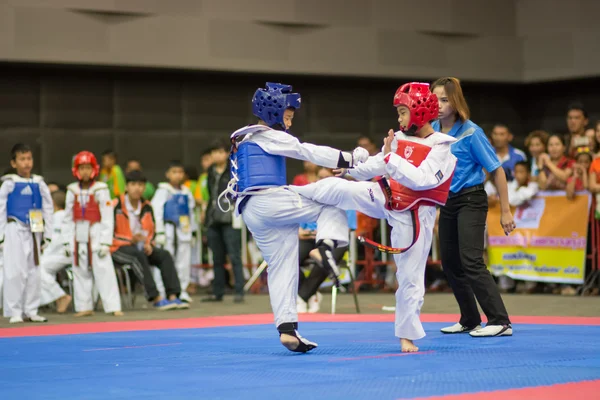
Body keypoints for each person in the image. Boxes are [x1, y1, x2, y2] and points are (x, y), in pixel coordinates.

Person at [292, 82, 457, 352]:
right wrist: (349, 171)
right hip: (386, 195)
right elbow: (378, 163)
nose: (399, 118)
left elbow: (422, 180)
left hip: (413, 215)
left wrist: (391, 156)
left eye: (403, 112)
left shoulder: (441, 147)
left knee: (409, 276)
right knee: (335, 187)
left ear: (419, 112)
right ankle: (287, 195)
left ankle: (407, 335)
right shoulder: (401, 140)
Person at [221, 82, 368, 353]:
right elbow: (306, 151)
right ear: (273, 112)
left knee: (282, 267)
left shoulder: (245, 139)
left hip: (253, 212)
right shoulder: (266, 134)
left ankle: (287, 330)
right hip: (268, 199)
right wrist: (350, 159)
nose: (290, 120)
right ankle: (324, 249)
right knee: (332, 201)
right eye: (287, 115)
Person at [430, 77, 515, 337]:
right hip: (448, 203)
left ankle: (500, 321)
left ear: (456, 103)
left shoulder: (471, 131)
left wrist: (506, 210)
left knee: (471, 261)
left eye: (445, 100)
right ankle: (469, 319)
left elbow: (497, 171)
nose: (439, 105)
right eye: (435, 99)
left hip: (472, 199)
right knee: (451, 263)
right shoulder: (431, 129)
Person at [110, 170, 188, 310]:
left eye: (140, 185)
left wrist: (149, 244)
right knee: (137, 256)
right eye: (133, 184)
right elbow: (107, 231)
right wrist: (130, 240)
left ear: (144, 188)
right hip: (117, 248)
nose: (137, 188)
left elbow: (151, 230)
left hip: (140, 246)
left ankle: (173, 296)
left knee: (164, 255)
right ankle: (155, 297)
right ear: (126, 187)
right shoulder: (115, 205)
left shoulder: (147, 206)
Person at [61, 151, 123, 317]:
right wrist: (66, 241)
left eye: (88, 167)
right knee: (80, 272)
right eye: (82, 168)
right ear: (76, 170)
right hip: (78, 236)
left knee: (105, 272)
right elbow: (67, 218)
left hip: (96, 234)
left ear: (94, 169)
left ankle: (113, 306)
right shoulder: (72, 190)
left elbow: (107, 216)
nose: (85, 172)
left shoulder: (101, 189)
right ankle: (84, 306)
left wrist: (106, 241)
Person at [0, 143, 53, 323]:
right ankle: (14, 311)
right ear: (14, 163)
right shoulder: (9, 183)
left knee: (34, 271)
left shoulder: (39, 183)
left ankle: (31, 309)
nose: (26, 163)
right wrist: (1, 236)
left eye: (29, 158)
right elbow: (0, 209)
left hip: (34, 230)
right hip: (14, 228)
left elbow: (48, 208)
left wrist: (48, 234)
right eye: (22, 159)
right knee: (15, 271)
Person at [204, 142, 245, 303]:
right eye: (214, 152)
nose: (216, 155)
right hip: (213, 216)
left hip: (230, 216)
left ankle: (239, 291)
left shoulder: (234, 170)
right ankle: (218, 291)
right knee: (217, 257)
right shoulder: (210, 171)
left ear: (226, 153)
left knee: (234, 255)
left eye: (220, 152)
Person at [151, 161, 197, 303]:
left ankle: (181, 291)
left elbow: (191, 213)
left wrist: (193, 232)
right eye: (174, 172)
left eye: (180, 172)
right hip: (168, 231)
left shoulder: (186, 192)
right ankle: (163, 291)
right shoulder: (163, 190)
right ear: (168, 174)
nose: (177, 175)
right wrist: (159, 232)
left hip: (183, 230)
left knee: (183, 264)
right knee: (165, 262)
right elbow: (156, 212)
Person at [39, 189, 73, 312]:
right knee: (42, 268)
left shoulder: (58, 217)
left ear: (52, 203)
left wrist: (43, 251)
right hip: (66, 252)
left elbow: (56, 241)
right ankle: (54, 299)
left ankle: (60, 296)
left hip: (63, 253)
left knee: (38, 268)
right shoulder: (66, 215)